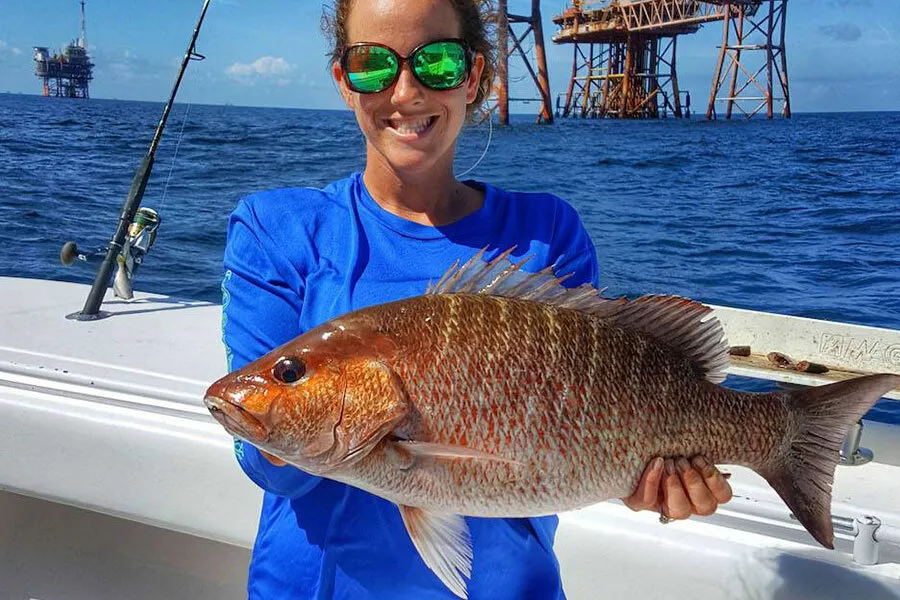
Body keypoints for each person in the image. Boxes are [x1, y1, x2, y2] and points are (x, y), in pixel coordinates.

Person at [220, 0, 733, 598]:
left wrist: (652, 488)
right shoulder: (275, 229)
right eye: (370, 64)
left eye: (437, 61)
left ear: (475, 77)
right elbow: (263, 466)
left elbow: (591, 431)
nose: (405, 91)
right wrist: (290, 430)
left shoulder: (547, 234)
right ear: (343, 79)